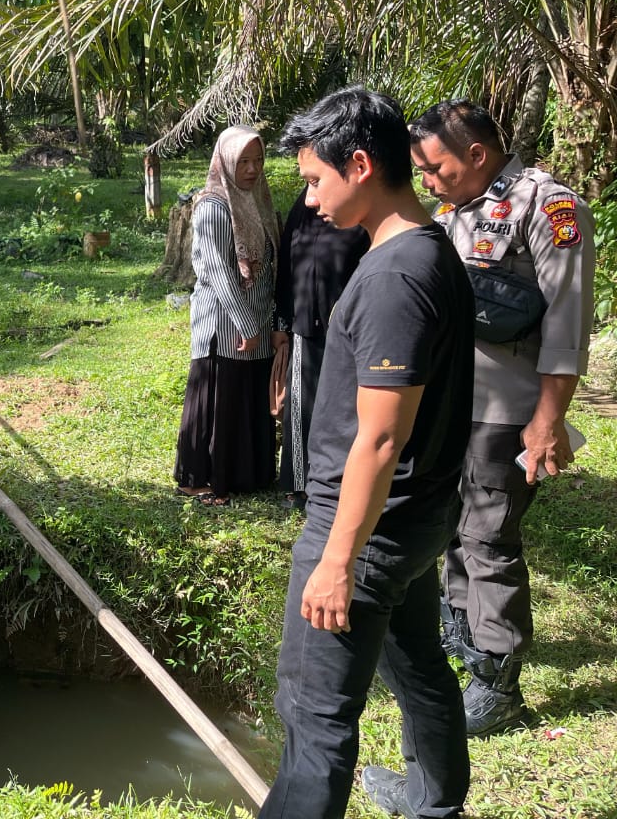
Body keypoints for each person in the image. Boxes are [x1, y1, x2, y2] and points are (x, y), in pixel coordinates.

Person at [261, 87, 472, 819]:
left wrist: (337, 560)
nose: (312, 202)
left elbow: (380, 438)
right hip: (415, 518)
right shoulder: (427, 249)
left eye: (316, 181)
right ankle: (435, 804)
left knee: (314, 719)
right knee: (418, 667)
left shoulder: (394, 278)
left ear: (360, 165)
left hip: (368, 527)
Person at [410, 100, 596, 736]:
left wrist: (548, 420)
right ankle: (463, 635)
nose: (427, 181)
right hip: (453, 404)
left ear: (477, 156)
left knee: (489, 536)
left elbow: (568, 325)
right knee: (457, 526)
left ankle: (497, 679)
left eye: (435, 168)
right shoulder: (452, 211)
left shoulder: (549, 207)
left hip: (507, 410)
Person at [173, 125, 279, 506]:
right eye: (243, 162)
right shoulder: (214, 206)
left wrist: (266, 321)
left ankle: (242, 476)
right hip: (223, 324)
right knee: (217, 396)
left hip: (255, 320)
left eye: (258, 161)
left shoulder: (258, 201)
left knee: (245, 396)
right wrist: (247, 323)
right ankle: (199, 478)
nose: (252, 169)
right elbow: (217, 271)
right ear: (225, 162)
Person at [273, 197, 370, 511]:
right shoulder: (302, 208)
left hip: (350, 327)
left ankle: (344, 482)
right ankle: (299, 485)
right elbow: (286, 269)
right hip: (306, 323)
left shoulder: (360, 208)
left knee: (347, 410)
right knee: (301, 408)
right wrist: (282, 322)